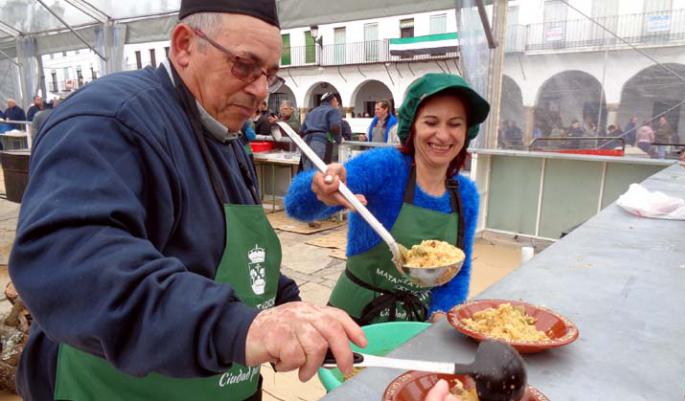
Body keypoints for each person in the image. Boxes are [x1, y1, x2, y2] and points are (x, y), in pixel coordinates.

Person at [9, 2, 366, 400]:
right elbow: (69, 261)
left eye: (270, 75)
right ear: (184, 45)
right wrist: (240, 328)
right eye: (245, 66)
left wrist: (291, 310)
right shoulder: (110, 118)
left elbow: (233, 258)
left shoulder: (224, 133)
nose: (261, 90)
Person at [285, 73, 489, 325]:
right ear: (412, 125)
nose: (443, 135)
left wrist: (441, 315)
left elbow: (457, 272)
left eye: (455, 124)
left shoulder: (465, 194)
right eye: (431, 122)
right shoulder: (386, 166)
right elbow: (297, 207)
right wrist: (319, 188)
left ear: (467, 130)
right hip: (352, 319)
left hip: (414, 325)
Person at [298, 92, 342, 171]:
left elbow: (301, 131)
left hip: (305, 142)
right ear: (332, 101)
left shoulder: (312, 112)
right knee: (318, 172)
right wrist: (339, 140)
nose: (337, 103)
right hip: (319, 142)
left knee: (307, 173)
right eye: (336, 101)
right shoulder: (333, 110)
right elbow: (335, 127)